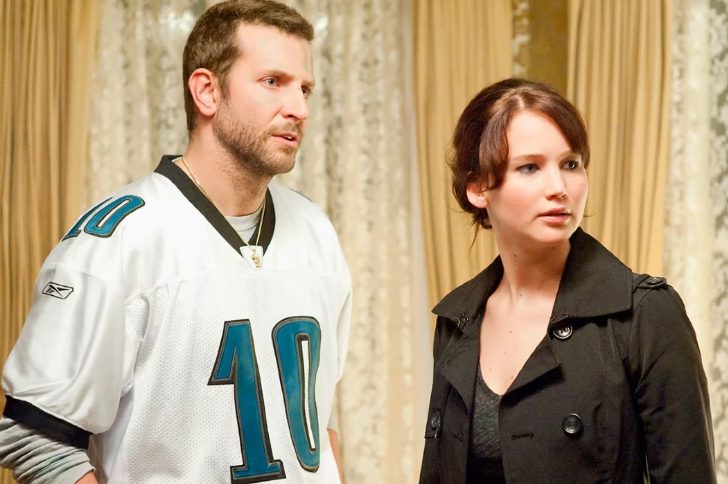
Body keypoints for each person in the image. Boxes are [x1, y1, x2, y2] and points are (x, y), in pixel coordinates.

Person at [0, 1, 351, 482]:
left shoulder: (316, 231)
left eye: (304, 88)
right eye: (273, 81)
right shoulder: (117, 241)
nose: (300, 109)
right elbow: (36, 437)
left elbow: (318, 417)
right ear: (207, 91)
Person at [419, 78, 715, 483]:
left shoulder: (644, 316)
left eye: (571, 164)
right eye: (529, 167)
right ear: (477, 187)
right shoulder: (457, 322)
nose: (559, 188)